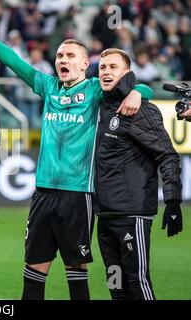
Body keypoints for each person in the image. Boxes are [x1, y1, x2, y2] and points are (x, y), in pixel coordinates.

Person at [0, 11, 153, 300]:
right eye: (60, 55)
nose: (63, 60)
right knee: (33, 275)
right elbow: (12, 60)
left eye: (70, 56)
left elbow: (144, 86)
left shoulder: (94, 89)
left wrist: (137, 92)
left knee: (76, 275)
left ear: (86, 64)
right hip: (43, 195)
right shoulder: (48, 87)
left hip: (78, 195)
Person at [95, 49, 183, 300]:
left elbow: (167, 155)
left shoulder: (140, 110)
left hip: (132, 213)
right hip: (105, 214)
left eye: (113, 67)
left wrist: (173, 201)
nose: (106, 72)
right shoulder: (103, 106)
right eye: (102, 68)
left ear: (127, 73)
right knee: (115, 285)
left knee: (137, 282)